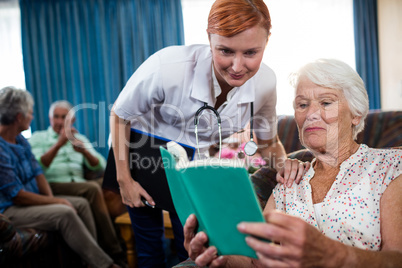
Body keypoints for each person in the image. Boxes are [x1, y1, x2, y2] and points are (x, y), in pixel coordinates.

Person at [109, 0, 306, 267]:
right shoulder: (169, 66)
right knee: (149, 247)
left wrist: (286, 169)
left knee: (195, 245)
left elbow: (269, 141)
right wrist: (125, 181)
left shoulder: (265, 83)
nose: (237, 66)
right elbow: (120, 115)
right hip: (140, 150)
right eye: (225, 50)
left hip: (192, 160)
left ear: (267, 40)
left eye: (250, 53)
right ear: (209, 39)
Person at [183, 59, 402, 267]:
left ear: (356, 113)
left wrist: (335, 255)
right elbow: (256, 262)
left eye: (326, 102)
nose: (311, 114)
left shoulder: (390, 167)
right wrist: (216, 256)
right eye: (302, 104)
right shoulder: (288, 182)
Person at [0, 86, 120, 268]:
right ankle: (107, 263)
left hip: (46, 194)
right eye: (30, 113)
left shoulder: (21, 140)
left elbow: (37, 172)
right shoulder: (30, 140)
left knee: (86, 201)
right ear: (19, 117)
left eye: (64, 117)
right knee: (66, 211)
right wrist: (55, 202)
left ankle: (90, 260)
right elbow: (18, 193)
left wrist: (84, 152)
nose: (32, 117)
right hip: (14, 207)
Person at [28, 100, 127, 266]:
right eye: (56, 117)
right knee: (92, 188)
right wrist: (58, 144)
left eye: (64, 117)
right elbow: (36, 167)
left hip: (79, 186)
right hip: (53, 185)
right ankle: (115, 251)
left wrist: (85, 152)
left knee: (111, 182)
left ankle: (123, 240)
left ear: (72, 121)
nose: (60, 121)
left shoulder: (79, 138)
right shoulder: (38, 138)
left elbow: (101, 165)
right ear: (50, 119)